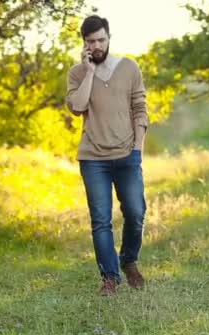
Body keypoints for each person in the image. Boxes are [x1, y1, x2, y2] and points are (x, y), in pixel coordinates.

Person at [66, 15, 148, 296]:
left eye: (101, 39)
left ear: (109, 37)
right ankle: (110, 277)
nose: (97, 45)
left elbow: (140, 108)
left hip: (127, 155)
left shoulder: (129, 68)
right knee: (100, 219)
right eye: (91, 42)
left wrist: (138, 148)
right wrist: (88, 72)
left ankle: (128, 261)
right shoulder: (77, 73)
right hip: (93, 159)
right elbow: (77, 107)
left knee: (136, 213)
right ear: (84, 44)